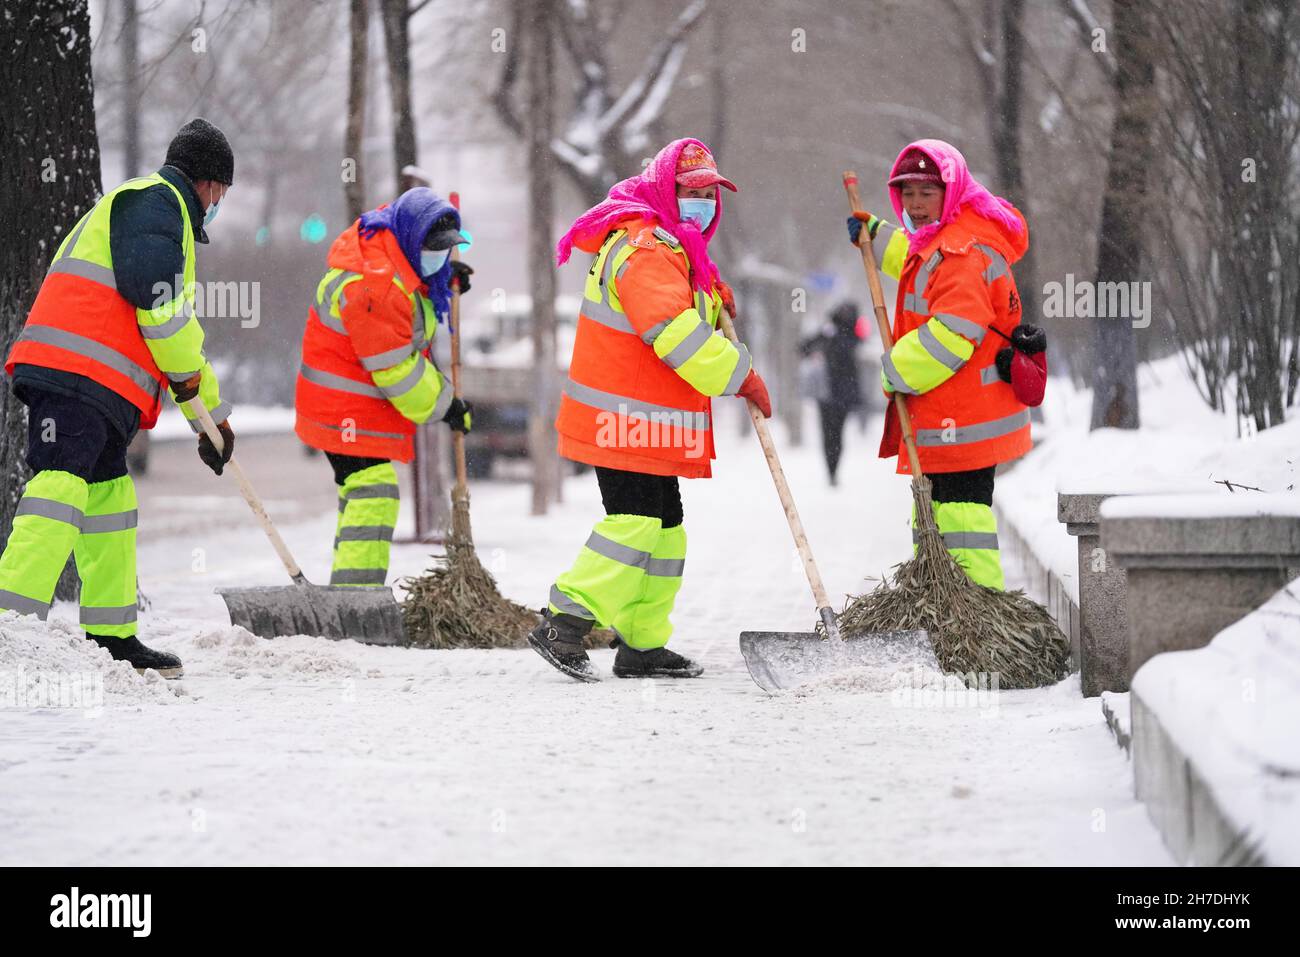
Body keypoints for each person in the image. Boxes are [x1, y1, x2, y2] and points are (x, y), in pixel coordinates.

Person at [0, 118, 238, 677]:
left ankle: (112, 637)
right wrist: (197, 407)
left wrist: (212, 420)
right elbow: (156, 302)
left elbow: (176, 331)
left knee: (110, 502)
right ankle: (9, 623)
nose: (221, 201)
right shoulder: (153, 203)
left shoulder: (164, 215)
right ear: (208, 183)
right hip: (72, 375)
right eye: (223, 190)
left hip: (99, 386)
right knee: (60, 485)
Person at [527, 139, 770, 682]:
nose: (702, 202)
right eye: (692, 192)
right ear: (666, 190)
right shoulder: (646, 248)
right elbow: (672, 332)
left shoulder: (669, 246)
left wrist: (709, 295)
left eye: (710, 193)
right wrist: (741, 376)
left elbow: (674, 310)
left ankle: (641, 644)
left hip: (646, 423)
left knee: (665, 530)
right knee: (634, 523)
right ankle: (563, 621)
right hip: (622, 419)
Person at [847, 138, 1032, 590]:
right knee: (943, 517)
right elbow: (918, 259)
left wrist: (895, 369)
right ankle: (950, 610)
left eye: (926, 194)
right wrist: (876, 233)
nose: (915, 205)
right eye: (906, 194)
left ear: (949, 192)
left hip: (963, 417)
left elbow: (954, 332)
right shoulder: (952, 236)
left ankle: (980, 618)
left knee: (960, 522)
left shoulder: (960, 252)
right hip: (958, 413)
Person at [294, 188, 473, 588]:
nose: (438, 255)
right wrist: (447, 405)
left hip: (347, 402)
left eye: (445, 251)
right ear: (413, 238)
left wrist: (441, 277)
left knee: (361, 495)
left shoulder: (390, 247)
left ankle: (349, 595)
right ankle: (355, 600)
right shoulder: (374, 284)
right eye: (434, 250)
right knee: (373, 492)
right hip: (342, 407)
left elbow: (407, 303)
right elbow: (396, 369)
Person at [801, 300, 865, 485]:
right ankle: (831, 471)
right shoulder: (830, 332)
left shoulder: (848, 334)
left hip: (836, 394)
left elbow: (805, 347)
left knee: (833, 434)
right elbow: (804, 347)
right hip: (830, 393)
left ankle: (833, 470)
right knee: (832, 434)